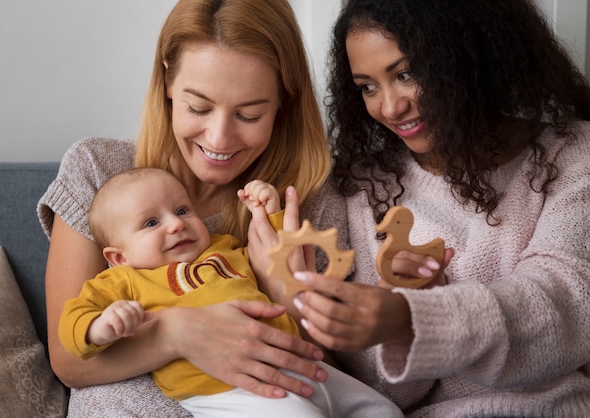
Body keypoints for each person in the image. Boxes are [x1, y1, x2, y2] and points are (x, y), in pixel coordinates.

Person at [248, 0, 590, 416]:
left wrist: (414, 317)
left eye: (405, 74)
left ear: (471, 55)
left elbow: (562, 307)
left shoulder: (574, 156)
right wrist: (393, 316)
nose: (389, 108)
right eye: (367, 87)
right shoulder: (357, 187)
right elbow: (378, 394)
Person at [37, 0, 370, 415]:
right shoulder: (98, 171)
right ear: (167, 83)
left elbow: (336, 379)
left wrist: (288, 295)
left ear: (283, 102)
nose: (219, 138)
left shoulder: (305, 201)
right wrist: (177, 333)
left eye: (249, 114)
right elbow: (69, 361)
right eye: (198, 107)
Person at [58, 167, 403, 418]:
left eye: (181, 211)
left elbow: (275, 251)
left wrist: (267, 212)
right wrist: (101, 327)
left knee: (381, 409)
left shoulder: (224, 248)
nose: (176, 224)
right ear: (119, 257)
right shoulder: (124, 281)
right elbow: (73, 322)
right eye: (151, 223)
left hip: (297, 363)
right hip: (228, 388)